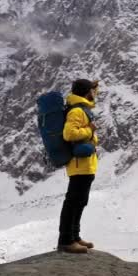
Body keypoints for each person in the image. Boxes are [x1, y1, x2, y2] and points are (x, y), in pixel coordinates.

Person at [57, 79, 99, 253]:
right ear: (86, 92)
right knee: (73, 202)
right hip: (79, 165)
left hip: (86, 165)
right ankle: (66, 240)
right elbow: (69, 134)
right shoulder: (76, 111)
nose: (95, 93)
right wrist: (90, 131)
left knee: (80, 201)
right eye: (93, 90)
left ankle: (75, 236)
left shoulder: (83, 109)